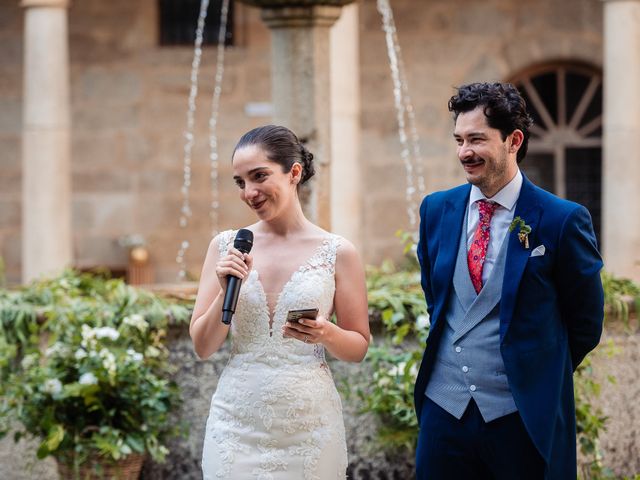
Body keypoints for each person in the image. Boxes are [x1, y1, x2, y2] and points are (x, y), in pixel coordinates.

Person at [414, 82, 604, 479]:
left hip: (520, 417)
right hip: (443, 412)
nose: (465, 152)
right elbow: (438, 299)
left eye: (477, 139)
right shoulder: (436, 210)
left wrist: (533, 372)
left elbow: (585, 323)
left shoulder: (561, 219)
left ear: (513, 140)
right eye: (459, 140)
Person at [190, 125, 370, 479]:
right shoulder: (225, 247)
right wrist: (227, 288)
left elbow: (358, 347)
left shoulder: (338, 252)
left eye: (259, 176)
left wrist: (326, 333)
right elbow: (203, 346)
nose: (249, 192)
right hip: (235, 424)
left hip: (310, 428)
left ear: (294, 173)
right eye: (240, 182)